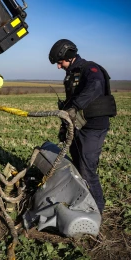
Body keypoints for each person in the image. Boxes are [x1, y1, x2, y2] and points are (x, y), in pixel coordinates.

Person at [48, 39, 116, 214]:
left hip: (93, 127)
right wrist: (65, 128)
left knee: (87, 169)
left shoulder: (90, 69)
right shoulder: (71, 75)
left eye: (59, 62)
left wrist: (75, 106)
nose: (58, 66)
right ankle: (83, 203)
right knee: (77, 167)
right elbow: (70, 107)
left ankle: (97, 211)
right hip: (78, 127)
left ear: (69, 56)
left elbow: (95, 87)